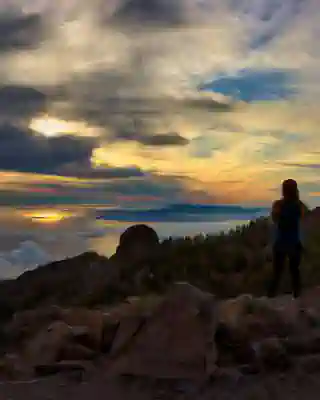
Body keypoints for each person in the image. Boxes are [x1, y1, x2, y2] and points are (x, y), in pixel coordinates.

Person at [268, 179, 309, 299]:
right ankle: (297, 298)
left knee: (277, 273)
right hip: (293, 243)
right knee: (294, 273)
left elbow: (274, 221)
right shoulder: (299, 205)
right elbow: (304, 218)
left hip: (281, 243)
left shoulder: (278, 205)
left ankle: (271, 298)